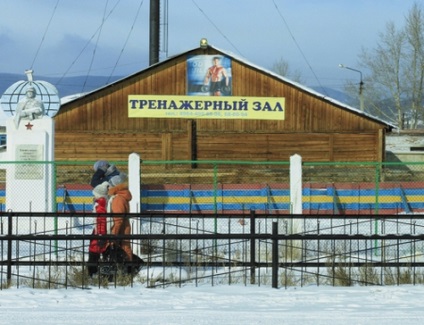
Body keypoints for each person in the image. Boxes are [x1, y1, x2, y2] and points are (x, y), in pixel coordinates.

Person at [107, 173, 133, 262]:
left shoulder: (118, 199)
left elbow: (118, 220)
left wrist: (113, 236)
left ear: (116, 187)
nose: (109, 188)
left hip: (120, 230)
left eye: (110, 186)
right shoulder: (122, 197)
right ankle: (128, 269)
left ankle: (128, 270)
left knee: (124, 250)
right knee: (125, 248)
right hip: (124, 228)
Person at [87, 181, 110, 277]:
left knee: (94, 252)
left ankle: (92, 272)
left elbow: (101, 221)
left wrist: (100, 235)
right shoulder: (101, 203)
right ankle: (100, 272)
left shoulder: (100, 206)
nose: (94, 196)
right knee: (99, 252)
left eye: (95, 195)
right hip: (98, 232)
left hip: (98, 233)